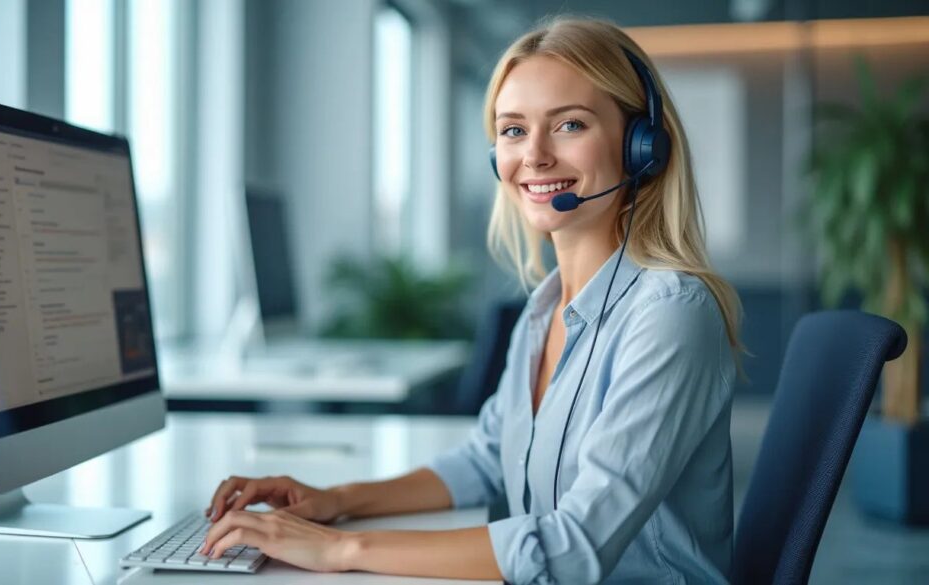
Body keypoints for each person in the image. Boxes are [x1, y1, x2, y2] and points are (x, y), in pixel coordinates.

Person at [200, 16, 744, 584]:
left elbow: (571, 548)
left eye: (570, 125)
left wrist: (339, 549)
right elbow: (485, 460)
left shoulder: (670, 314)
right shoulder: (542, 311)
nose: (533, 156)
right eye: (512, 130)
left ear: (641, 149)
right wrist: (333, 500)